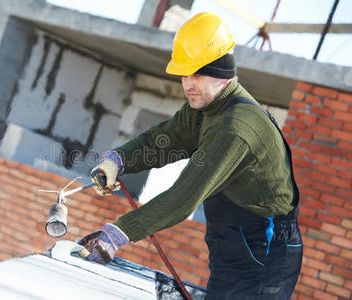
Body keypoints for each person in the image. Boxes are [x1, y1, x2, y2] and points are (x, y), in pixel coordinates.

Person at [77, 12, 303, 299]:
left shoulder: (235, 127)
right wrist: (118, 160)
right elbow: (165, 140)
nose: (187, 84)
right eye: (184, 74)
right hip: (234, 249)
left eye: (196, 73)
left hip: (265, 258)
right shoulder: (206, 109)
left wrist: (119, 232)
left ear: (220, 71)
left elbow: (184, 196)